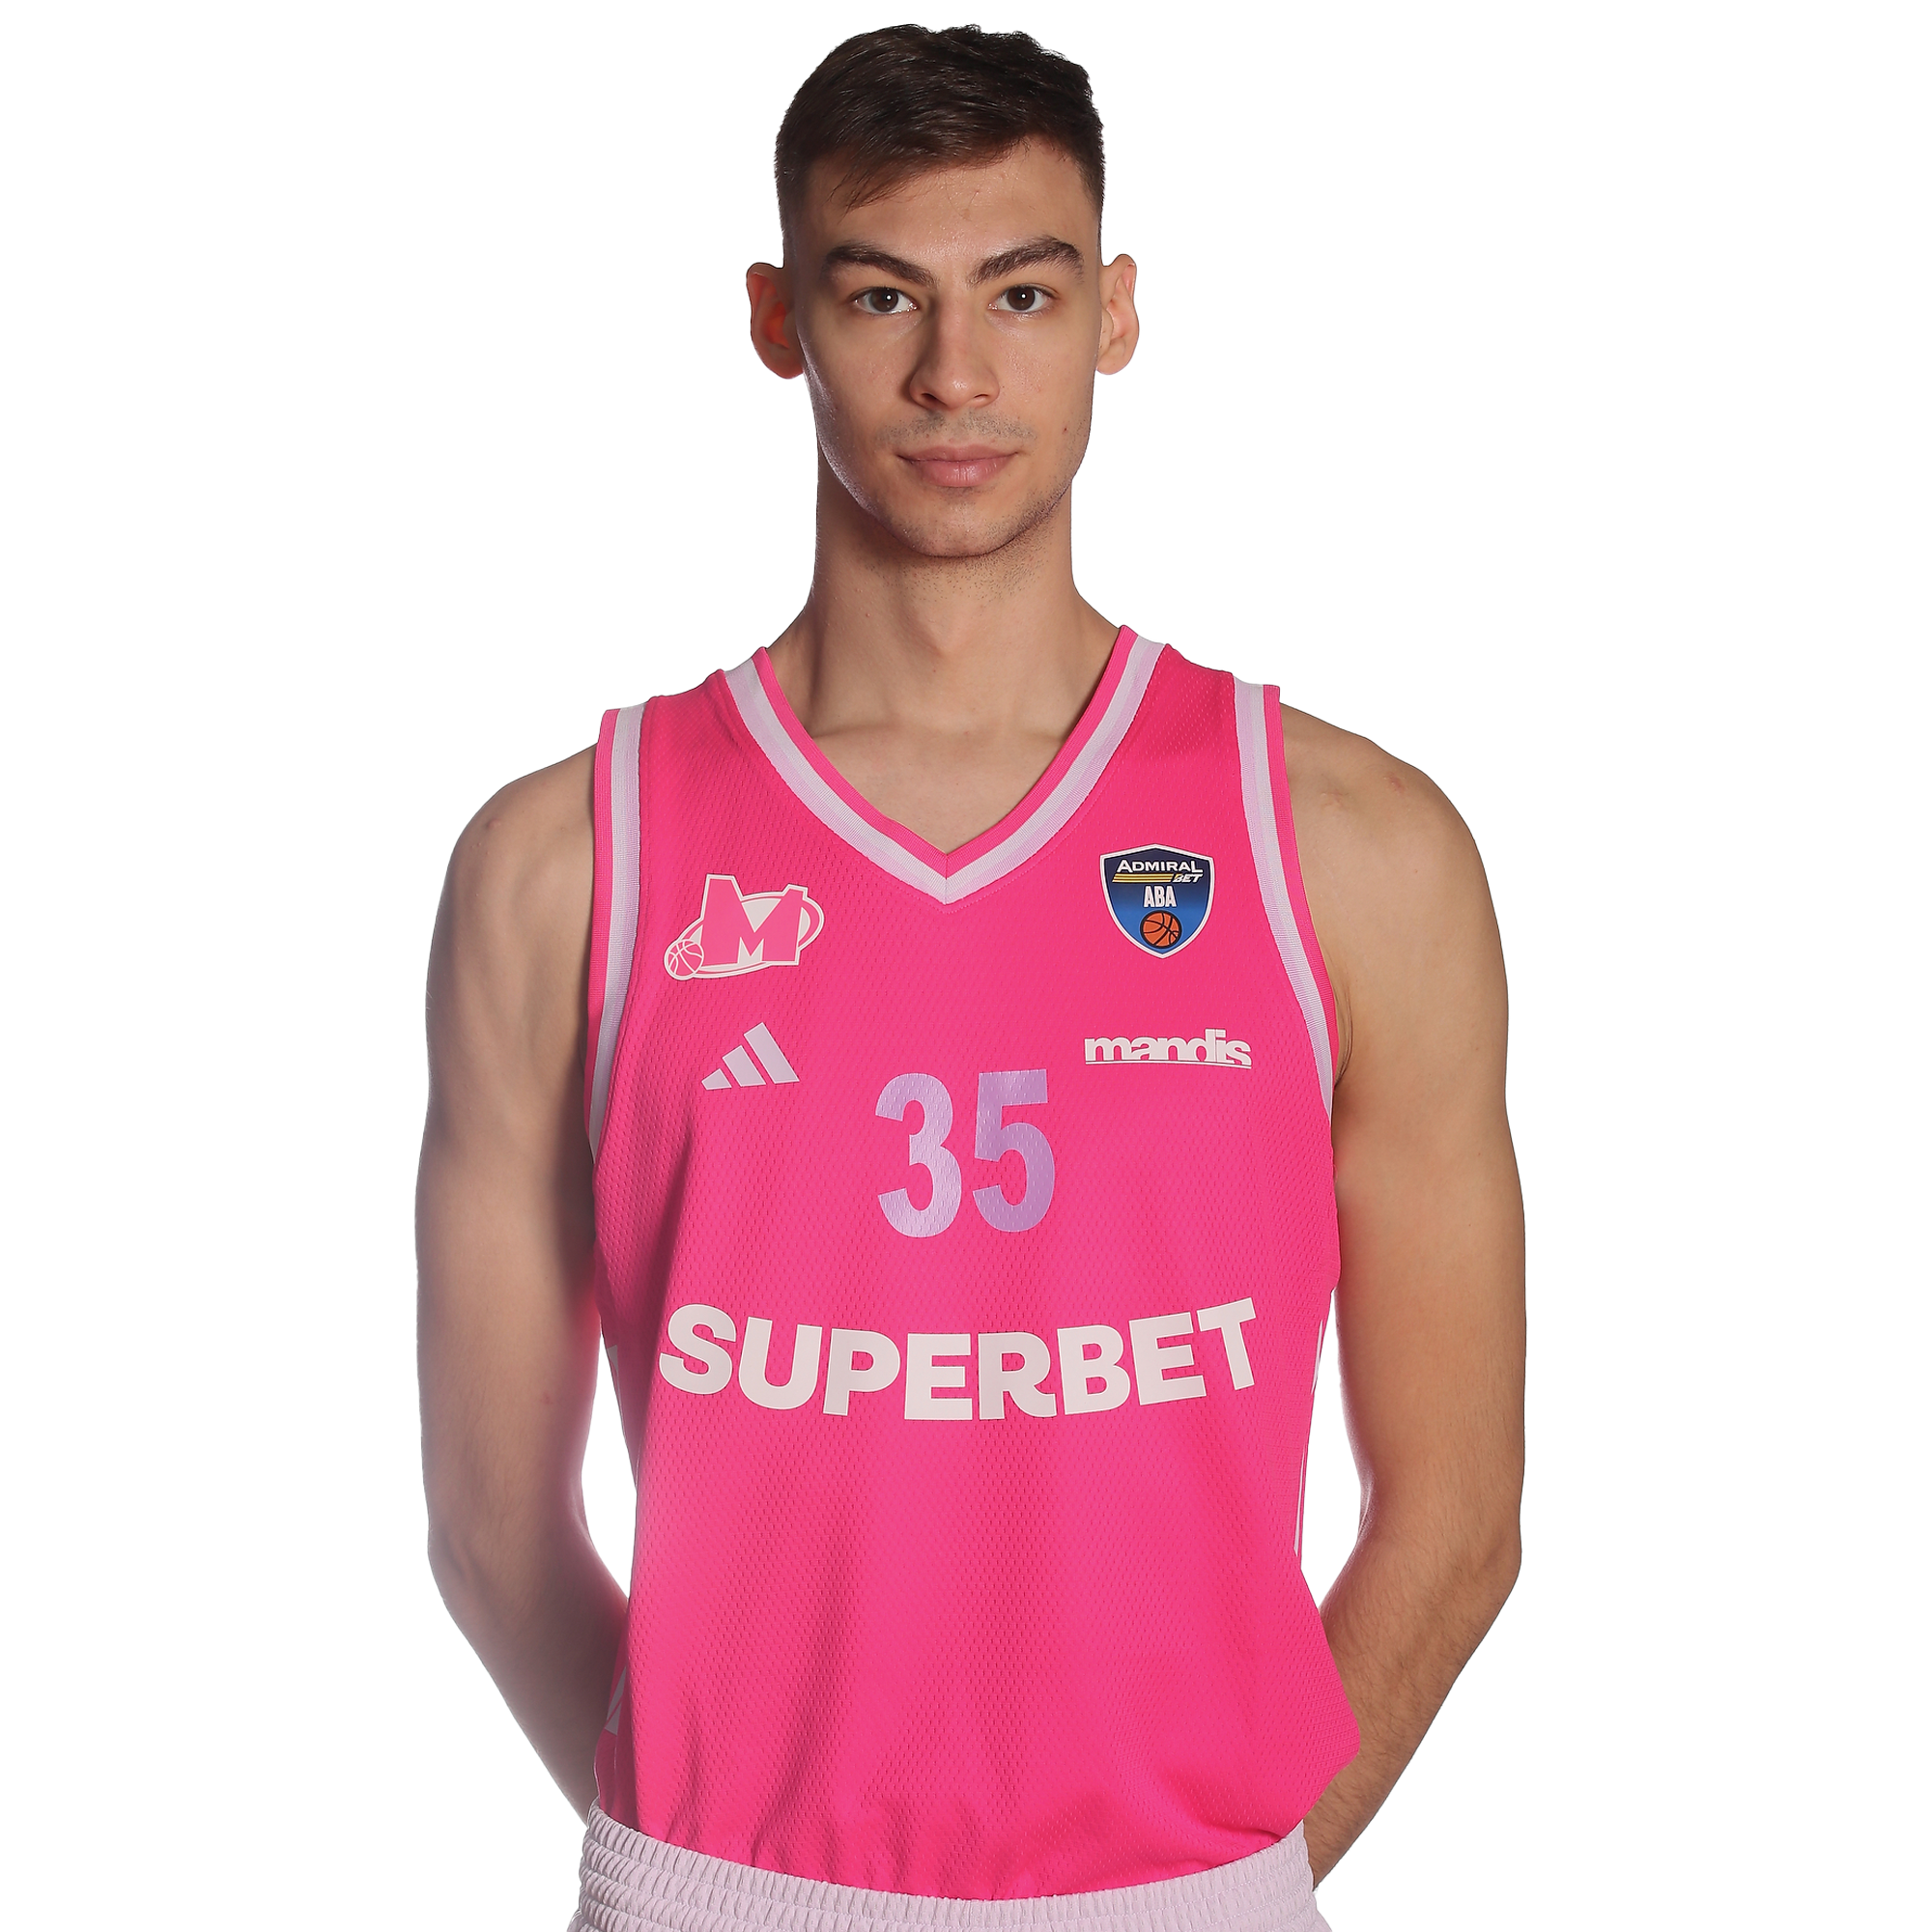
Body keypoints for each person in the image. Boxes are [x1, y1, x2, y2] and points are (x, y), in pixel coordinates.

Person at [417, 24, 1523, 1931]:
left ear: (1112, 314)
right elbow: (491, 1528)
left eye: (1020, 292)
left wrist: (1222, 1886)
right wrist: (710, 1867)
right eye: (880, 295)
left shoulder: (1346, 847)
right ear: (779, 319)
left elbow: (1458, 1515)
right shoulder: (566, 865)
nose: (954, 373)